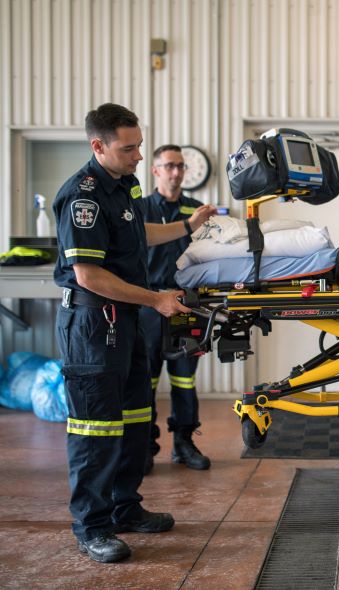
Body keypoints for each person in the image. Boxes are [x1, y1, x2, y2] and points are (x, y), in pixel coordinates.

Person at [53, 103, 216, 563]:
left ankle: (125, 507)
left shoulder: (122, 186)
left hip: (123, 322)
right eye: (130, 148)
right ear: (98, 146)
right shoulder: (83, 196)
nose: (139, 156)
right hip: (92, 325)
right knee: (95, 429)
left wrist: (186, 227)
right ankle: (92, 527)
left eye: (141, 145)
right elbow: (89, 275)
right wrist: (155, 300)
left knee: (132, 420)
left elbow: (136, 233)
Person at [135, 145, 211, 474]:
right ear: (155, 171)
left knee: (183, 381)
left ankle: (184, 443)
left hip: (186, 304)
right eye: (169, 166)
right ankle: (144, 447)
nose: (176, 172)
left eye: (180, 166)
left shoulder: (196, 210)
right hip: (148, 305)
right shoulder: (138, 210)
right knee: (145, 382)